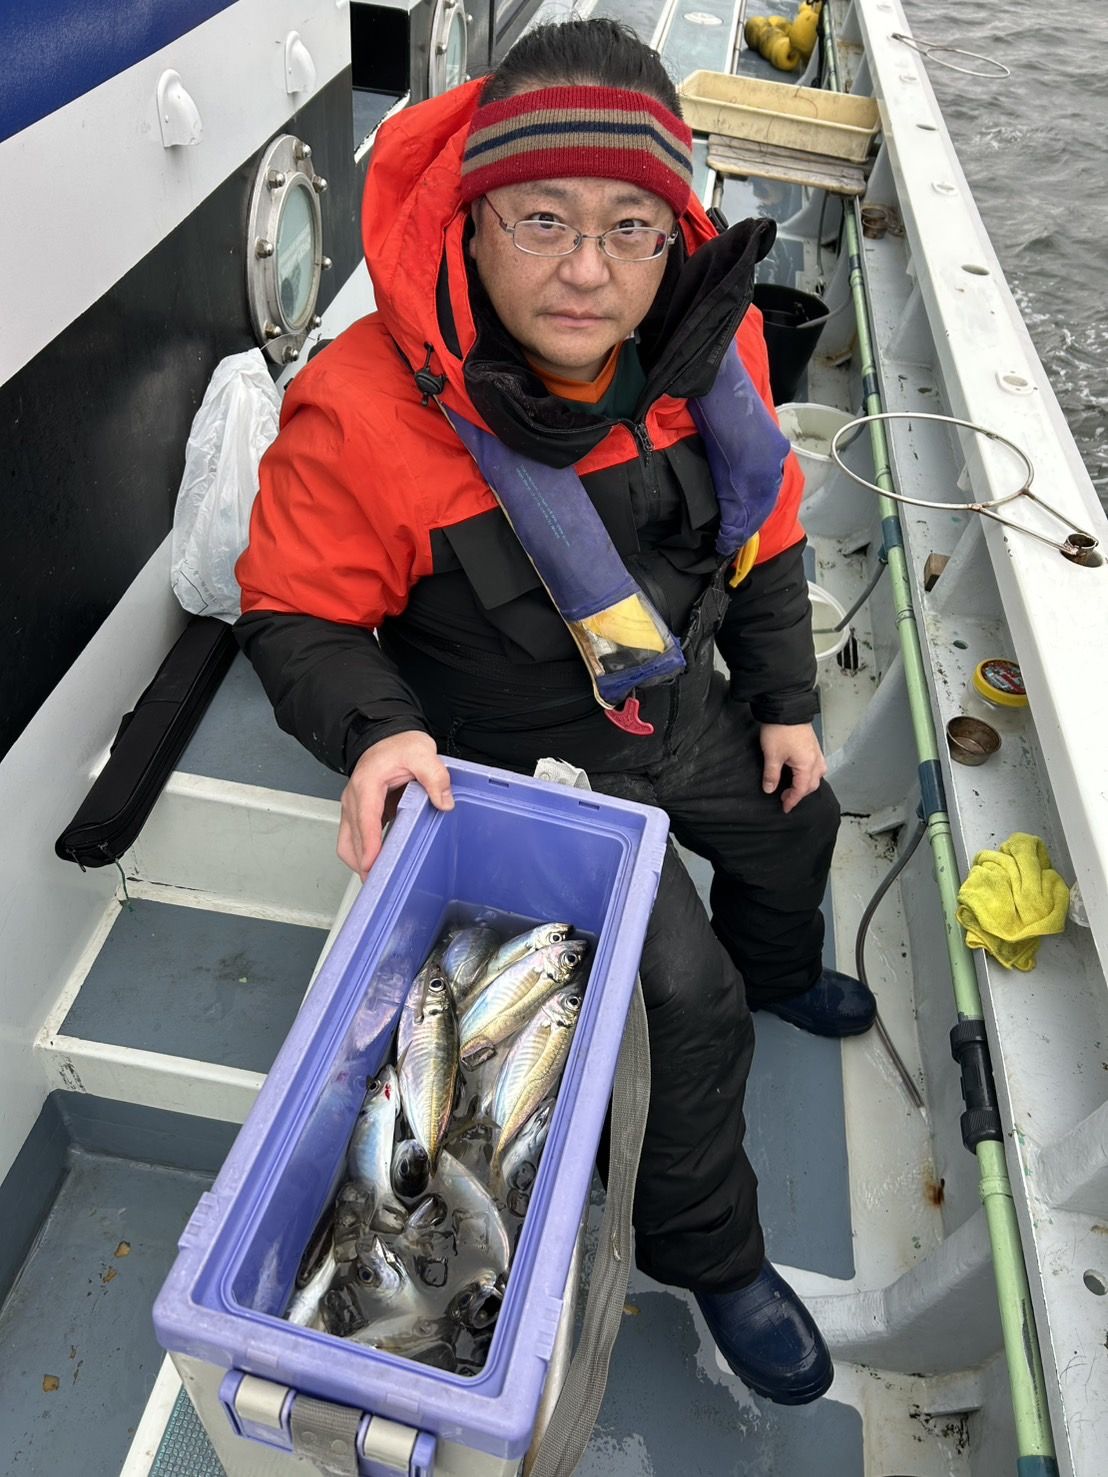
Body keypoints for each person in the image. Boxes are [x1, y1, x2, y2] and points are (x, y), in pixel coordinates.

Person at [236, 18, 876, 1404]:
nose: (588, 270)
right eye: (541, 220)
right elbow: (294, 612)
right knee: (687, 1000)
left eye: (629, 228)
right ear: (471, 220)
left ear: (673, 232)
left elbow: (765, 536)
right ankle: (711, 1250)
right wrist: (378, 730)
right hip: (521, 772)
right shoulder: (361, 408)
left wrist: (782, 701)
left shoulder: (711, 346)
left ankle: (784, 969)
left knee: (801, 822)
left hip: (675, 705)